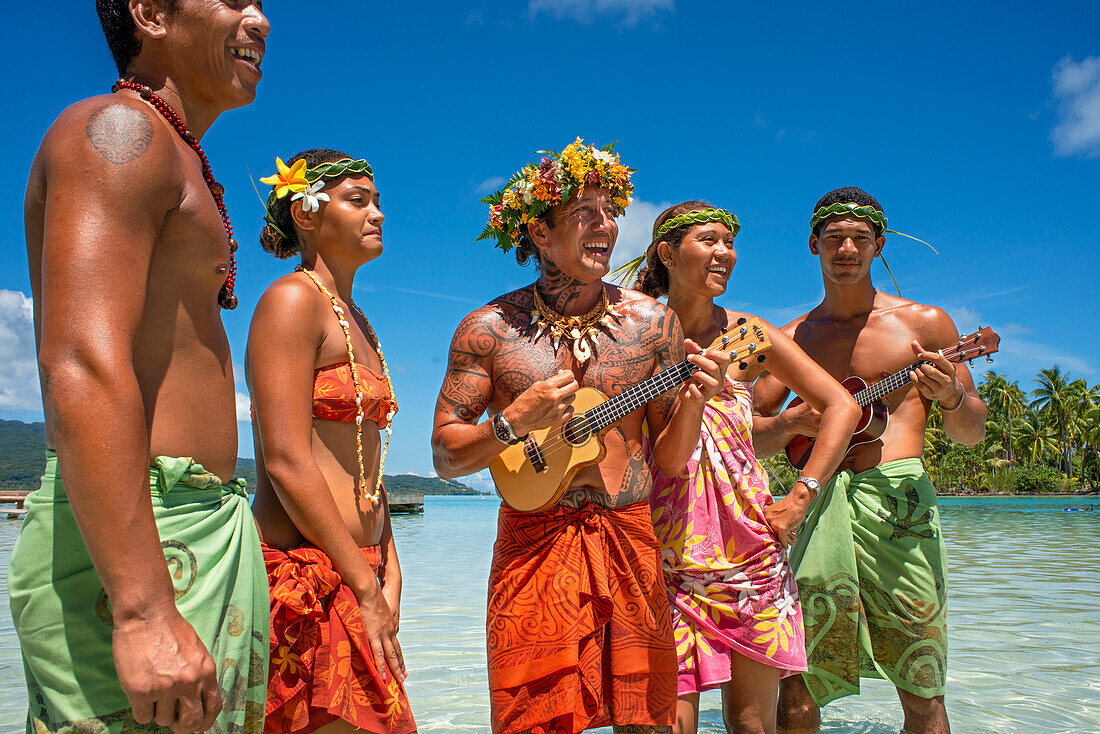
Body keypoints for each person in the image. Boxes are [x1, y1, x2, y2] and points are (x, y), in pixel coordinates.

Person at [9, 1, 270, 733]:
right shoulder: (118, 132)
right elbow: (83, 362)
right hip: (142, 539)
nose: (260, 20)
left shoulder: (173, 151)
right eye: (231, 0)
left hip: (193, 528)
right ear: (151, 13)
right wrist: (144, 609)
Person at [431, 139, 731, 734]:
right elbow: (445, 455)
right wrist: (515, 421)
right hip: (532, 540)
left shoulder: (653, 325)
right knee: (530, 719)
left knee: (646, 721)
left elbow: (669, 462)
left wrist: (694, 403)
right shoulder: (489, 330)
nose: (606, 226)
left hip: (629, 535)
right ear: (540, 232)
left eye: (611, 212)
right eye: (584, 214)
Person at [752, 188, 988, 734]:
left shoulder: (925, 324)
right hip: (814, 505)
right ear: (814, 245)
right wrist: (789, 425)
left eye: (860, 238)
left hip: (898, 507)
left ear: (879, 245)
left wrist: (952, 396)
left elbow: (970, 433)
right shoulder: (791, 339)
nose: (847, 248)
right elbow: (746, 435)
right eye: (834, 238)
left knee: (922, 679)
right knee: (797, 676)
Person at [627, 202, 860, 734]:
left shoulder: (748, 334)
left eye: (729, 243)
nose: (725, 254)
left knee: (753, 723)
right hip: (666, 549)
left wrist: (802, 495)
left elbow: (841, 406)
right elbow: (650, 448)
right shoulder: (636, 333)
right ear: (667, 252)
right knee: (665, 721)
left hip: (751, 550)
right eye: (709, 241)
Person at [247, 150, 416, 734]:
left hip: (360, 569)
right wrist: (364, 585)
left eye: (377, 200)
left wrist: (390, 567)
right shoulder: (291, 301)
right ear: (307, 213)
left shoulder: (359, 320)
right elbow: (286, 460)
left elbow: (367, 461)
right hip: (306, 574)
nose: (378, 213)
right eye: (358, 199)